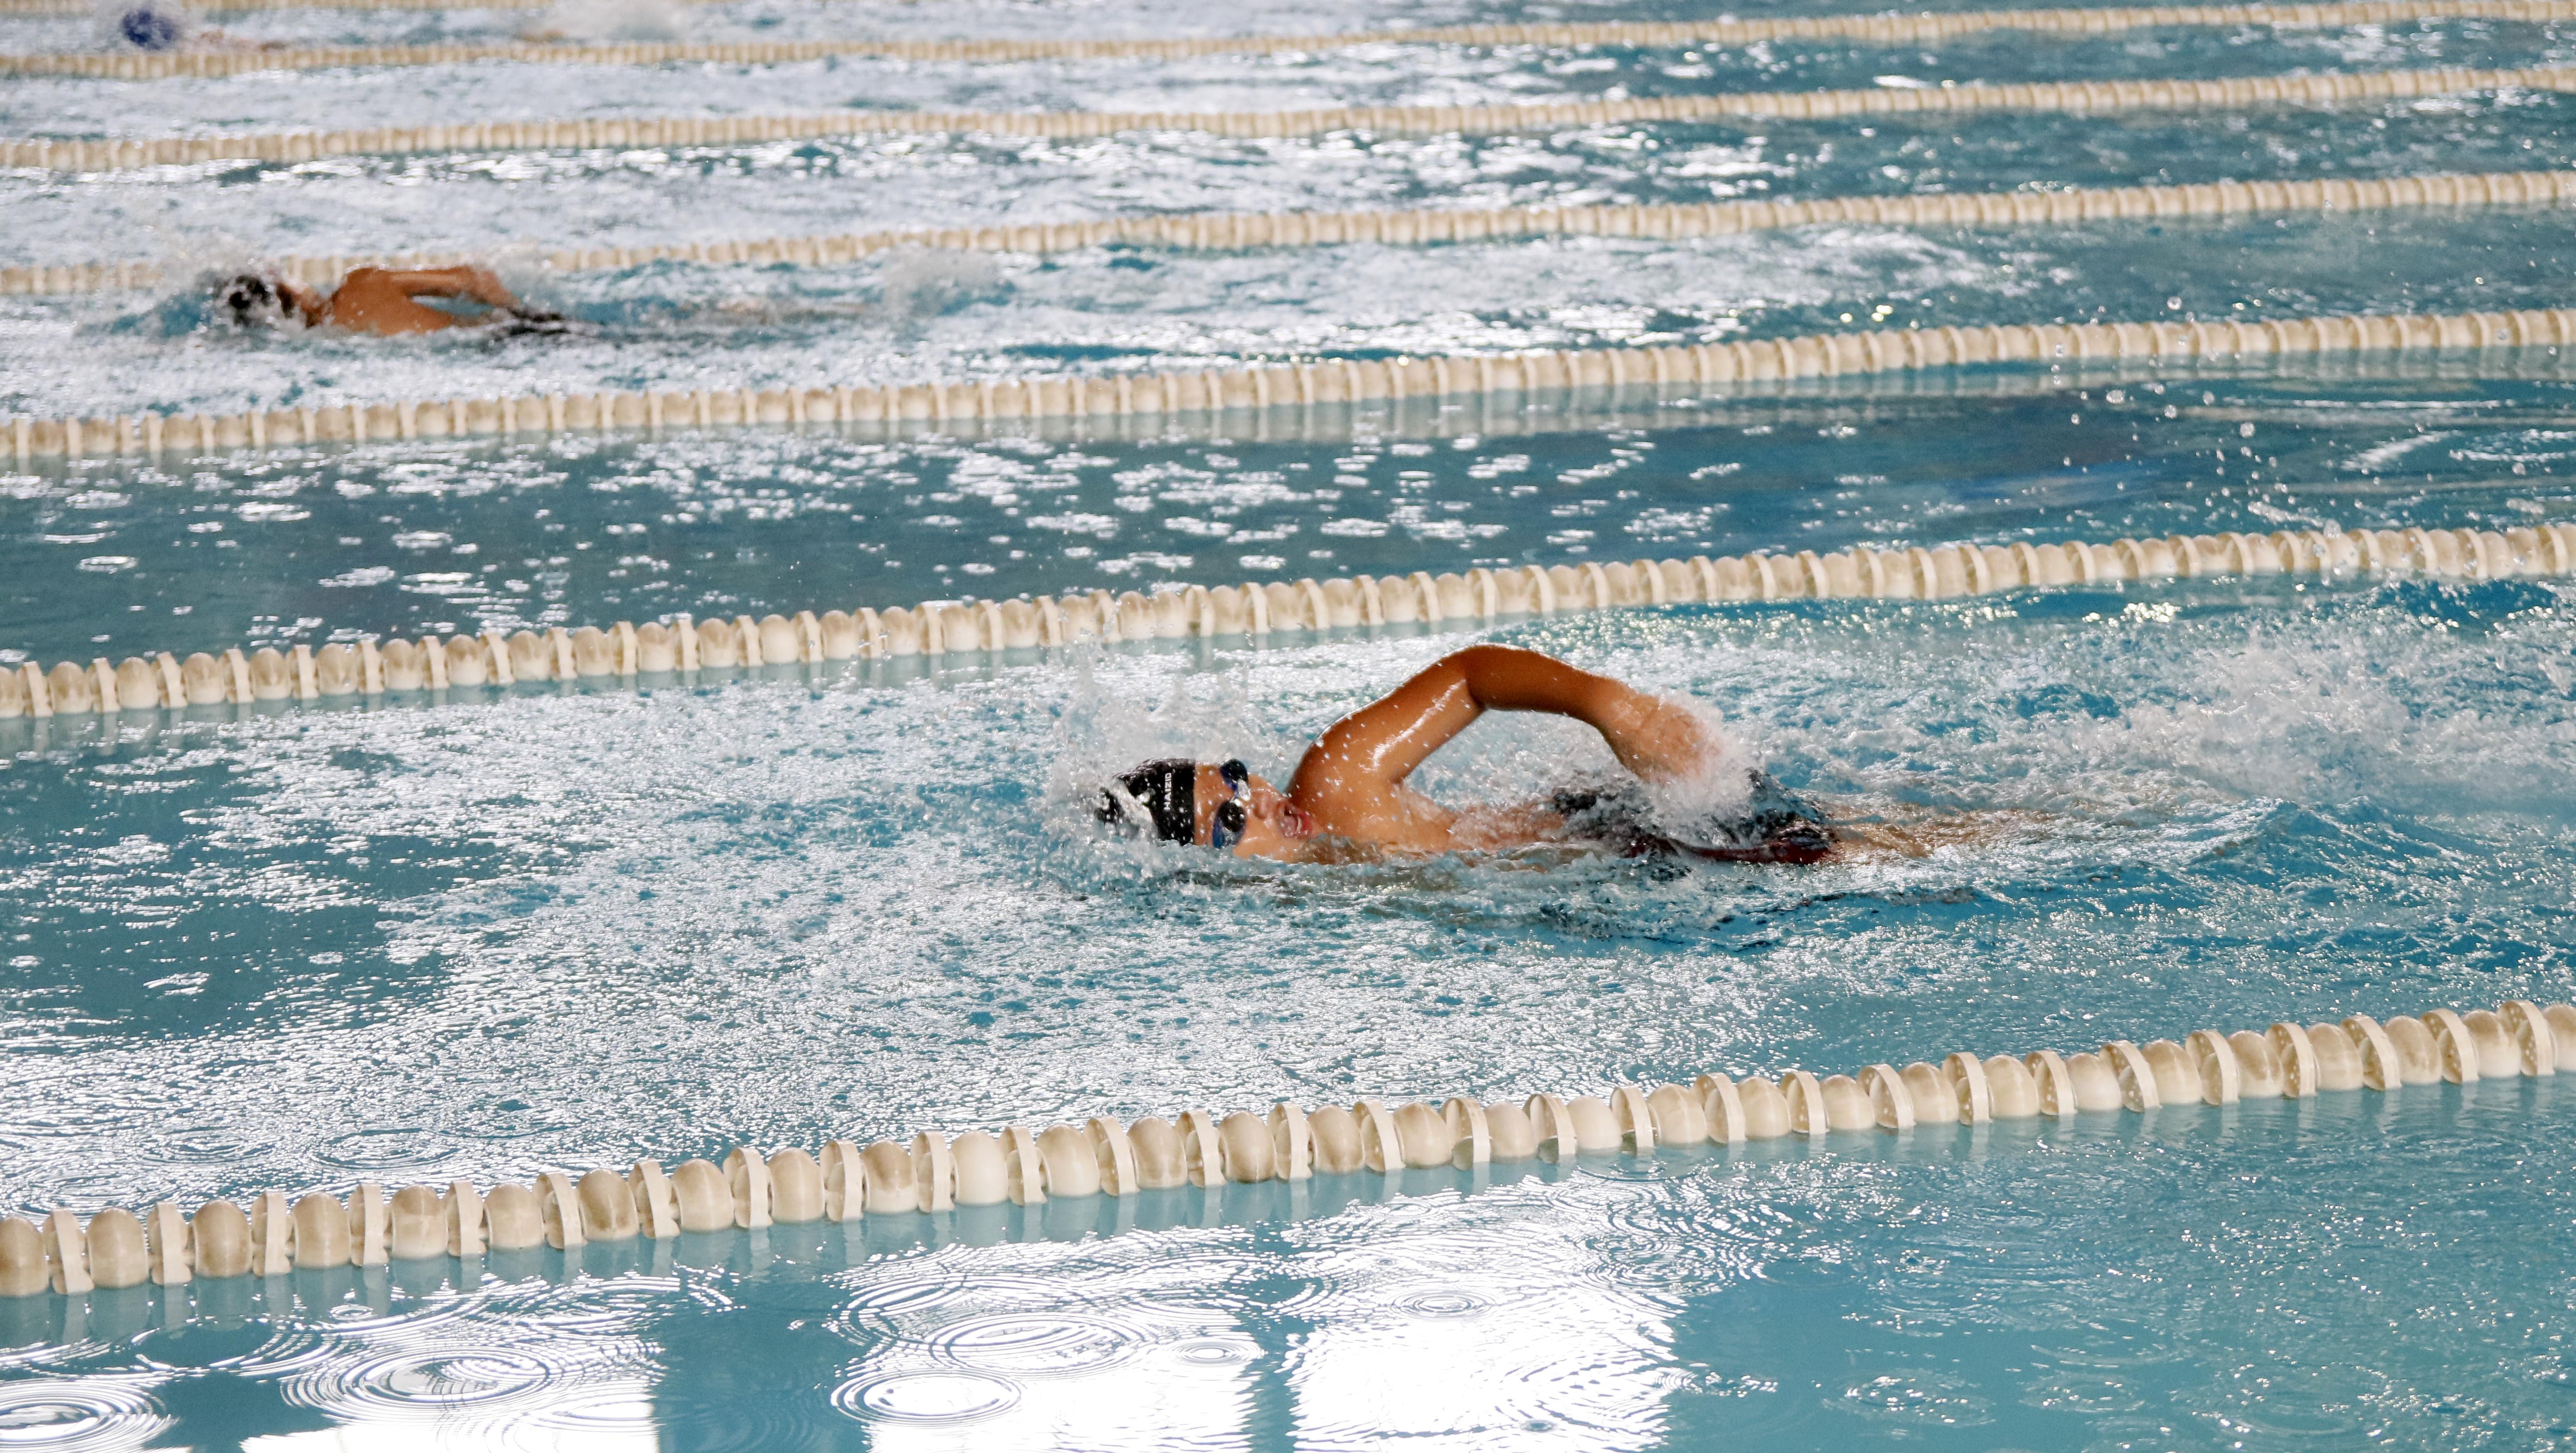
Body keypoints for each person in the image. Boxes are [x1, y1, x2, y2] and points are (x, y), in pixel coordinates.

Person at [1097, 644, 1834, 865]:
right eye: (1229, 825)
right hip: (1632, 858)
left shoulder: (1335, 785)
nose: (1255, 799)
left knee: (1895, 851)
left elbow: (1469, 678)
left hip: (1619, 835)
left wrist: (1610, 705)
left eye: (1233, 778)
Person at [214, 265, 568, 338]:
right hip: (516, 332)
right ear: (287, 289)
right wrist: (518, 307)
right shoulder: (360, 285)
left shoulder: (329, 336)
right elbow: (472, 280)